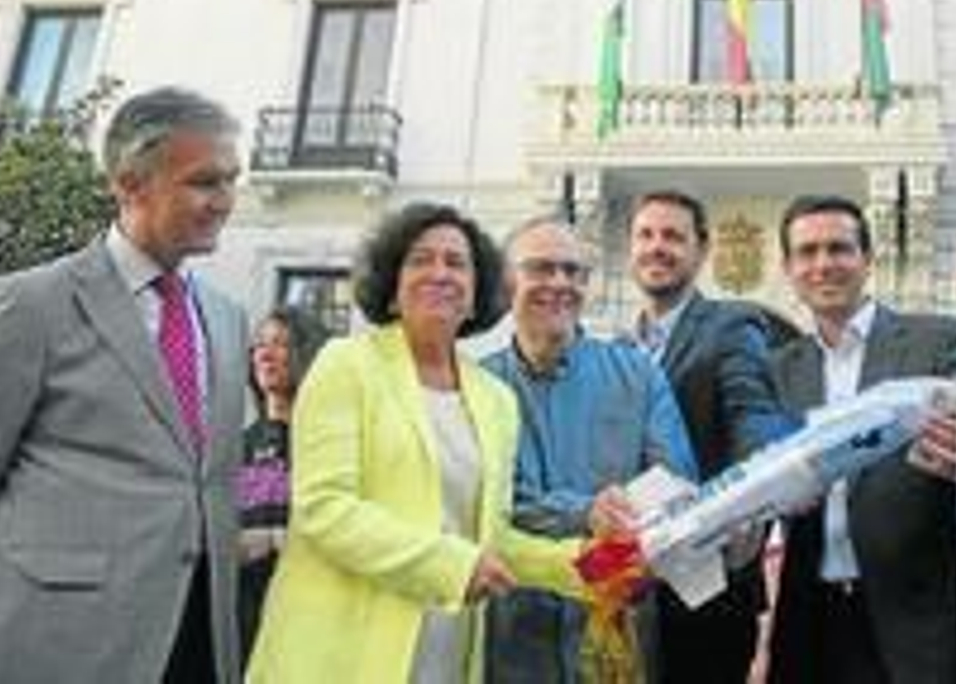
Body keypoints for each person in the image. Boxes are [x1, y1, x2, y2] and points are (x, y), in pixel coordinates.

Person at [247, 203, 591, 683]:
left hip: (444, 657)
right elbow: (325, 507)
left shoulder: (496, 400)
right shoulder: (344, 364)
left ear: (477, 294)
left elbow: (493, 540)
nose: (440, 273)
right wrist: (452, 564)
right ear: (392, 286)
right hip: (336, 657)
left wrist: (603, 567)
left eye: (456, 263)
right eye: (420, 260)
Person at [0, 85, 247, 683]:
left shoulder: (228, 319)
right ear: (130, 184)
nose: (226, 200)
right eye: (205, 181)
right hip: (50, 645)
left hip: (194, 640)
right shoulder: (29, 306)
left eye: (232, 180)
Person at [766, 193, 956, 684]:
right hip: (811, 625)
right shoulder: (780, 369)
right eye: (808, 252)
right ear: (789, 268)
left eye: (839, 249)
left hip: (919, 629)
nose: (824, 264)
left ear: (867, 259)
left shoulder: (937, 342)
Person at [482, 216, 697, 683]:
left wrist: (602, 573)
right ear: (507, 281)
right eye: (541, 268)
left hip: (614, 641)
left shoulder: (638, 376)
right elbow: (490, 507)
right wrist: (588, 515)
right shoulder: (478, 386)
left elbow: (675, 492)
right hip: (509, 642)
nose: (560, 283)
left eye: (573, 271)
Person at [625, 190, 796, 683]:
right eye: (647, 235)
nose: (658, 247)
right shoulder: (616, 348)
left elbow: (753, 413)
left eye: (673, 236)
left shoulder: (732, 325)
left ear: (701, 251)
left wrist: (753, 490)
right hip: (629, 585)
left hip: (709, 583)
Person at [237, 305, 325, 654]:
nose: (266, 355)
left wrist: (275, 539)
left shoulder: (326, 443)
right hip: (244, 617)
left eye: (281, 344)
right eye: (259, 345)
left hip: (309, 616)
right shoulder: (236, 445)